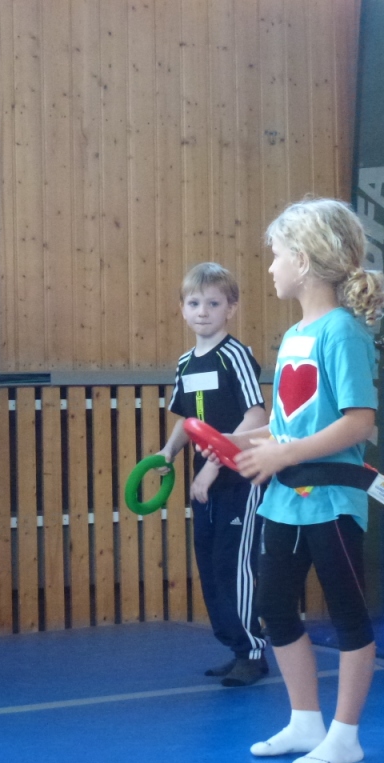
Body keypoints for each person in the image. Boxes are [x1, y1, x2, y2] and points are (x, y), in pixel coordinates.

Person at [222, 198, 384, 763]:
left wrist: (285, 452)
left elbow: (358, 421)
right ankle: (304, 721)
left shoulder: (342, 332)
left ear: (304, 259)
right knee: (274, 607)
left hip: (332, 499)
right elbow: (288, 422)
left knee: (347, 614)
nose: (270, 267)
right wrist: (239, 443)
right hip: (285, 502)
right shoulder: (295, 333)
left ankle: (345, 736)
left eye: (276, 255)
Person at [158, 263, 269, 686]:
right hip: (205, 482)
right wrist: (168, 452)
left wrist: (211, 467)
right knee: (209, 560)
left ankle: (252, 651)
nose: (202, 311)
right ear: (182, 309)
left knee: (233, 561)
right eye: (194, 303)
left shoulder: (234, 356)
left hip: (239, 476)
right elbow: (188, 420)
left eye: (213, 303)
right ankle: (236, 646)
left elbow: (255, 416)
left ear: (231, 309)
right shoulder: (186, 363)